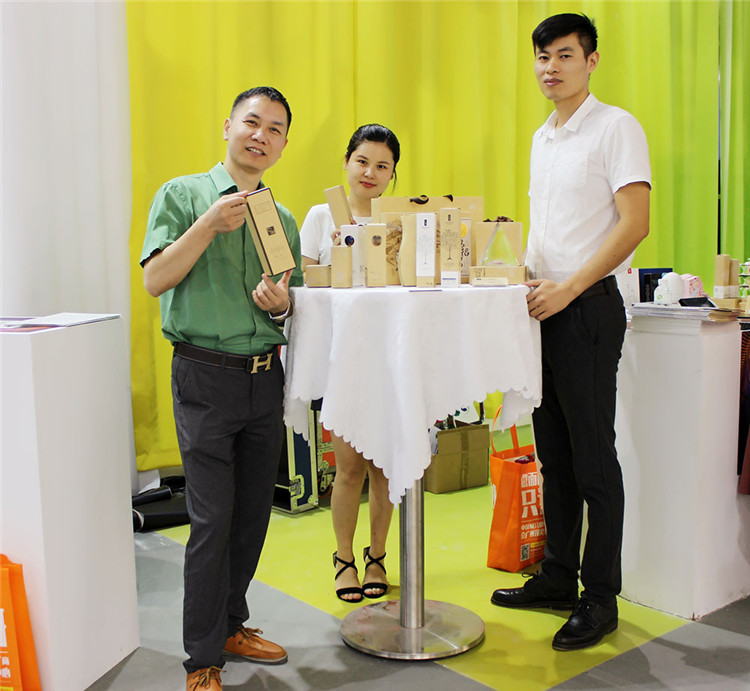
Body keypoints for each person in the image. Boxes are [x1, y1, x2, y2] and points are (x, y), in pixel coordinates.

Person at [490, 14, 651, 652]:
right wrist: (525, 278)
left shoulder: (616, 127)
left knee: (592, 458)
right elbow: (550, 229)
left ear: (591, 60)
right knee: (552, 454)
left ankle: (600, 597)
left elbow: (634, 224)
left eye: (563, 55)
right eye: (542, 57)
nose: (550, 68)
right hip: (543, 307)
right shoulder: (543, 136)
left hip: (587, 308)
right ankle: (557, 575)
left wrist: (571, 286)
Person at [141, 86, 303, 691]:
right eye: (252, 123)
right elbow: (156, 279)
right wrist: (208, 224)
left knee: (253, 515)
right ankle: (202, 659)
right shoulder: (182, 196)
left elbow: (291, 304)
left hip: (265, 377)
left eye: (275, 129)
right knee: (211, 521)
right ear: (228, 126)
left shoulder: (282, 219)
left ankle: (233, 624)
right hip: (204, 375)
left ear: (282, 146)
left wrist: (281, 304)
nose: (262, 136)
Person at [299, 124, 400, 602]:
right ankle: (343, 558)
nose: (370, 173)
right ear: (346, 161)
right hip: (341, 360)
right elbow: (304, 285)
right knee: (349, 468)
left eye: (382, 166)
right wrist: (340, 254)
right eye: (362, 161)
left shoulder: (399, 221)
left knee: (385, 469)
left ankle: (377, 555)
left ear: (392, 175)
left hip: (391, 360)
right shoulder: (321, 216)